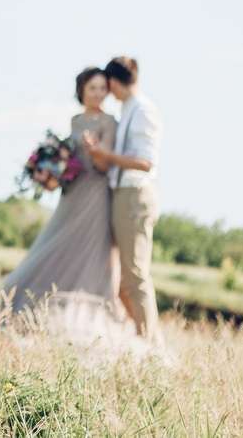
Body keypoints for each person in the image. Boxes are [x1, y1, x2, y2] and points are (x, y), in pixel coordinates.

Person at [0, 67, 122, 328]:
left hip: (95, 193)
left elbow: (105, 166)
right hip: (71, 191)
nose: (98, 93)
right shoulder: (75, 120)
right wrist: (50, 171)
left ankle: (80, 308)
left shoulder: (109, 123)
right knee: (55, 242)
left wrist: (95, 152)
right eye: (93, 88)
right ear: (82, 90)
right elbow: (69, 157)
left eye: (102, 88)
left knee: (89, 249)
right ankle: (31, 303)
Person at [85, 56, 163, 343]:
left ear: (115, 83)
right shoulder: (128, 108)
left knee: (135, 276)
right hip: (121, 195)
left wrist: (104, 156)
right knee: (122, 279)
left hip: (134, 196)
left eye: (108, 86)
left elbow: (145, 162)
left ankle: (152, 345)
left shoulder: (143, 110)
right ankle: (141, 338)